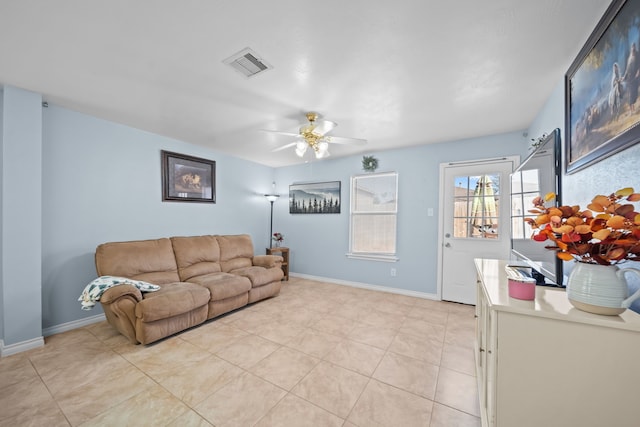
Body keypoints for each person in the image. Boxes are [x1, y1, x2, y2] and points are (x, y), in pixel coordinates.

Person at [624, 42, 639, 111]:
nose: (633, 50)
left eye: (634, 48)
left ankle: (633, 105)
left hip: (635, 76)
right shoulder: (629, 58)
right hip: (630, 79)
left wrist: (638, 72)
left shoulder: (638, 55)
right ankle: (631, 108)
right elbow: (627, 69)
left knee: (635, 92)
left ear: (635, 48)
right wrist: (624, 77)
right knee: (631, 93)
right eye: (632, 48)